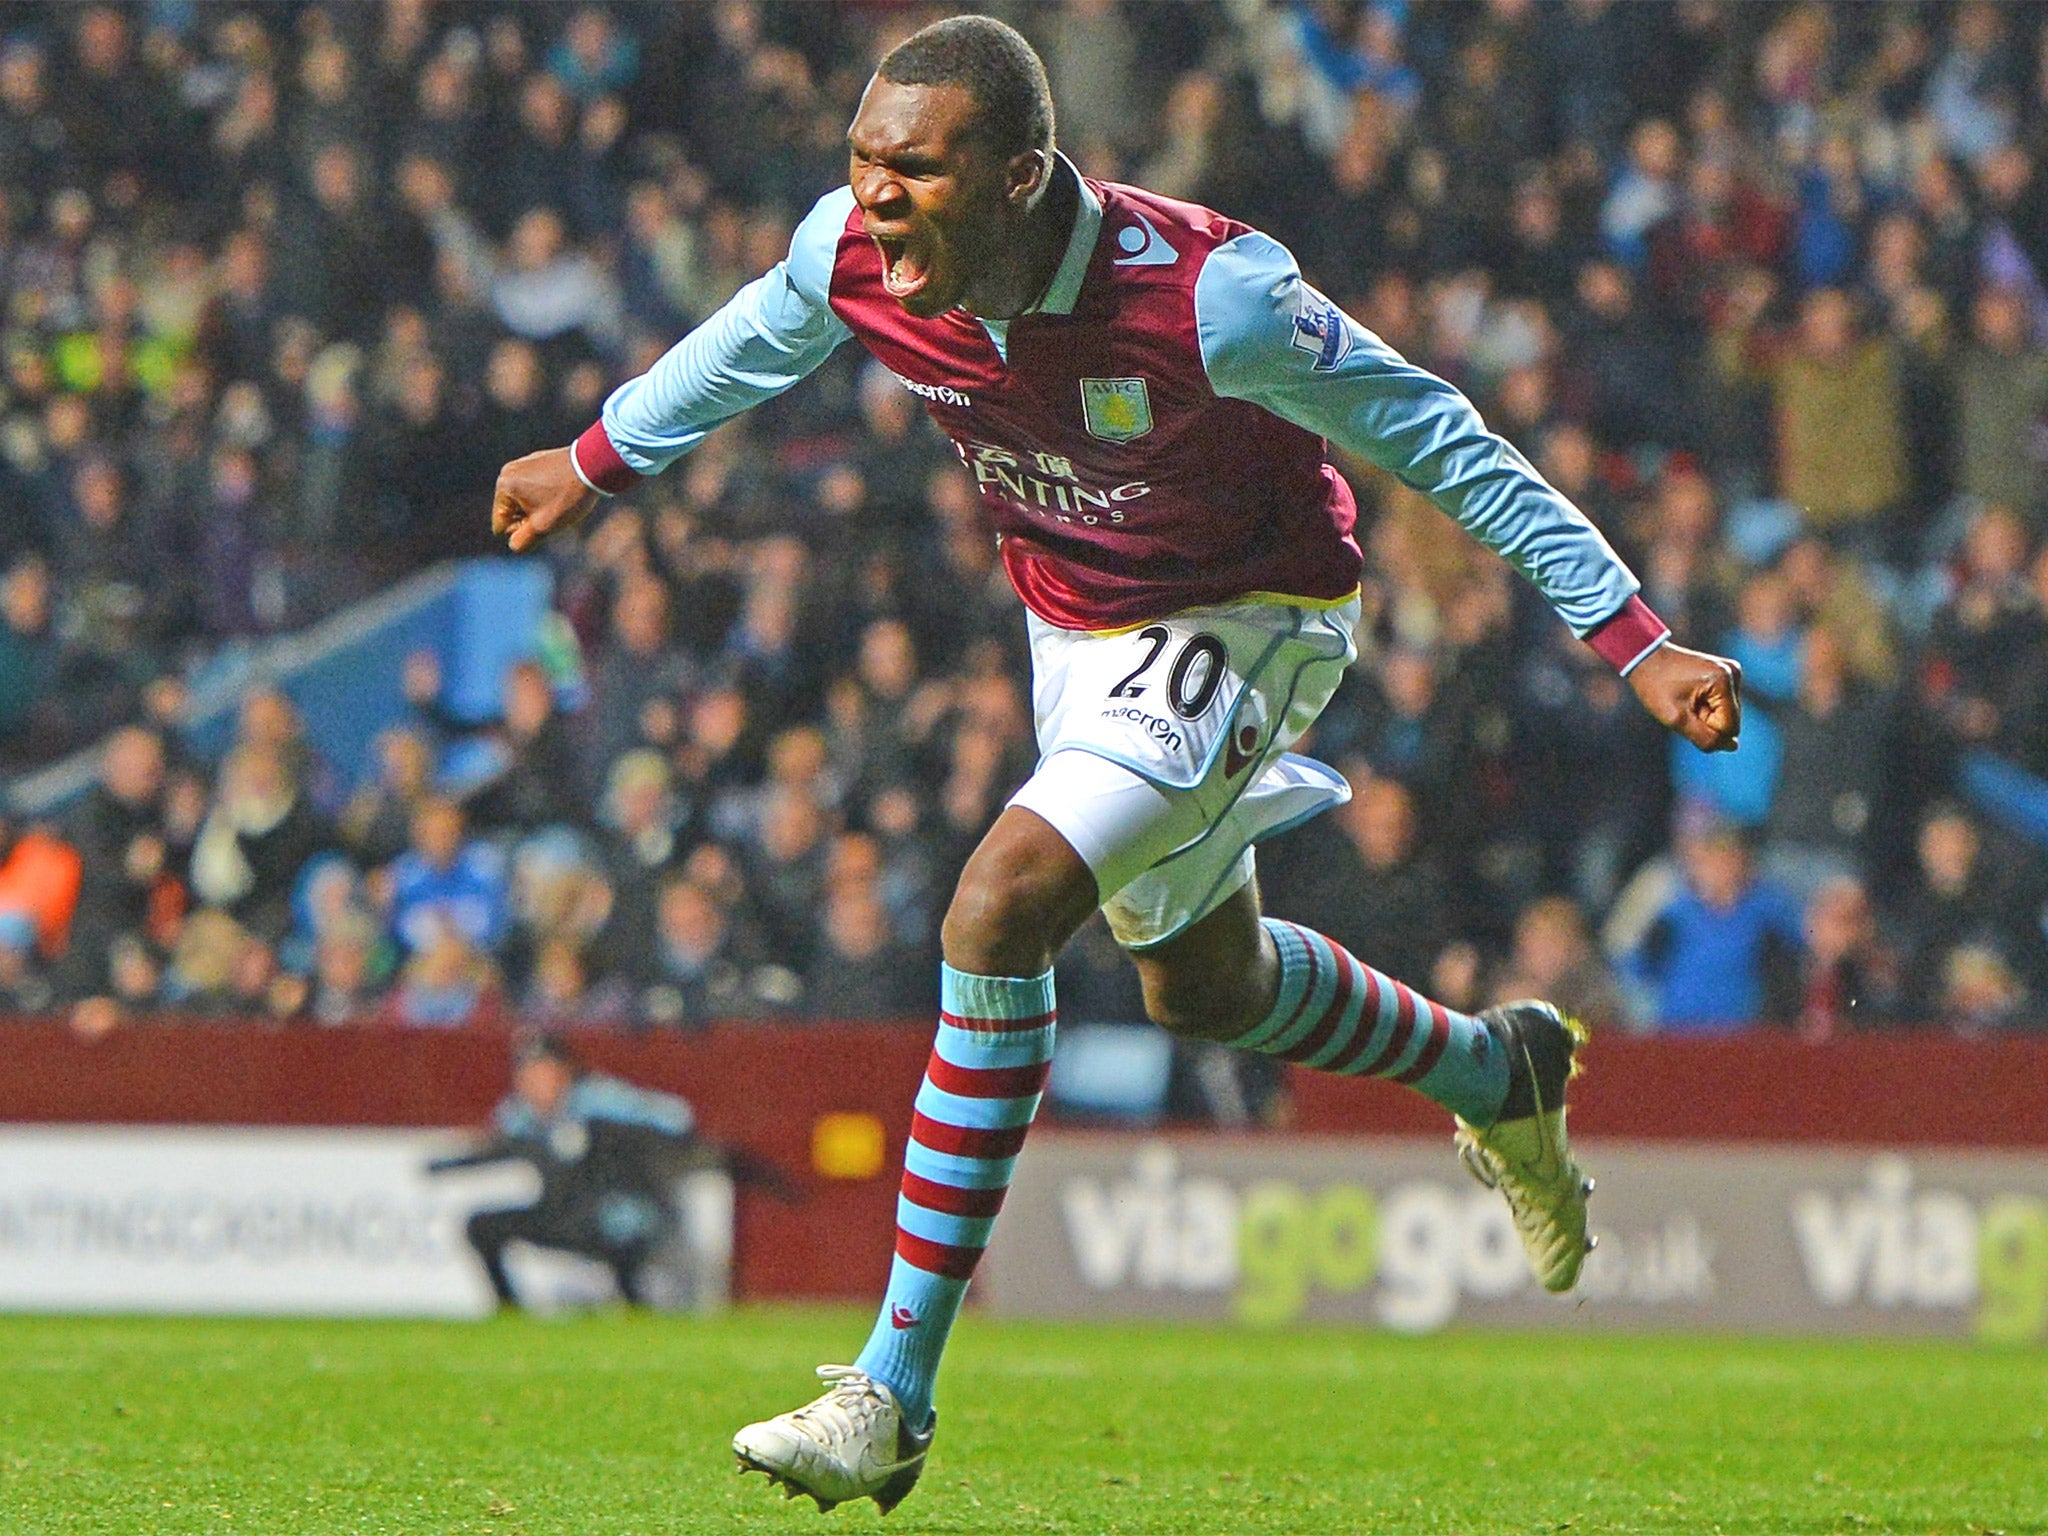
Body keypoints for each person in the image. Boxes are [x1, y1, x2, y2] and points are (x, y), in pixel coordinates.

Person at [488, 16, 1743, 1515]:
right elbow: (754, 334)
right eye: (862, 162)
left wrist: (1638, 639)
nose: (876, 197)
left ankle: (890, 1391)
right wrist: (591, 458)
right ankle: (1501, 1067)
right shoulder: (858, 258)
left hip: (1248, 616)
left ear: (1022, 177)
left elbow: (1443, 439)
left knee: (995, 908)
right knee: (1204, 989)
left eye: (917, 168)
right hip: (1073, 632)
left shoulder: (1219, 301)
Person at [431, 1034, 698, 1307]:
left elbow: (676, 1119)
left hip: (614, 1211)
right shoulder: (521, 1115)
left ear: (565, 1072)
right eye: (528, 1075)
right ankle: (508, 1308)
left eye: (545, 1072)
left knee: (624, 1228)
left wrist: (606, 1133)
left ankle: (635, 1304)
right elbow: (496, 1146)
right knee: (482, 1226)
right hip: (563, 1212)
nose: (537, 1083)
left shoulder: (600, 1099)